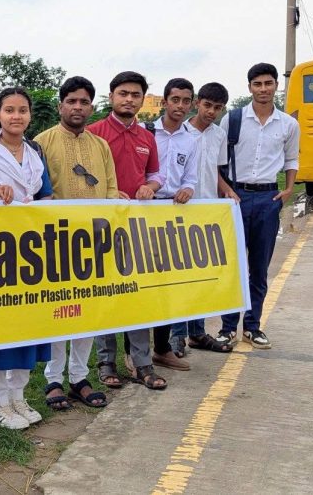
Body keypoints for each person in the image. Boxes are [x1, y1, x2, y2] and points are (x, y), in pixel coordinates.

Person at [0, 87, 52, 429]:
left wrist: (34, 208)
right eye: (9, 110)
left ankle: (18, 397)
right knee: (0, 326)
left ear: (30, 115)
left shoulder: (35, 154)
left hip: (31, 250)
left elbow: (46, 195)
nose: (16, 116)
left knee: (28, 325)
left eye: (22, 110)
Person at [33, 76, 117, 411]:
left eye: (84, 102)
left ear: (91, 107)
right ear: (60, 106)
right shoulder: (41, 142)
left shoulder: (101, 146)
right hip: (55, 241)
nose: (77, 107)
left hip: (93, 241)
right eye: (71, 101)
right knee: (58, 310)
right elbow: (36, 191)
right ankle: (53, 379)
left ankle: (80, 377)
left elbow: (111, 189)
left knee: (87, 311)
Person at [87, 71, 167, 391]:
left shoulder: (147, 137)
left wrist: (150, 187)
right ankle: (106, 362)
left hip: (136, 227)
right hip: (100, 226)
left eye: (135, 95)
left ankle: (141, 363)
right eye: (123, 93)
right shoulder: (94, 133)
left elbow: (156, 175)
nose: (129, 99)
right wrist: (107, 193)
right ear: (111, 96)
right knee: (105, 294)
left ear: (142, 100)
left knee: (137, 293)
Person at [215, 63, 300, 350]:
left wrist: (288, 189)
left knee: (259, 267)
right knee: (232, 266)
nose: (263, 89)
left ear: (276, 85)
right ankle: (227, 328)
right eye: (257, 84)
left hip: (268, 198)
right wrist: (226, 190)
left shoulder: (288, 124)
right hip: (235, 197)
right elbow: (216, 161)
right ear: (249, 87)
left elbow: (291, 159)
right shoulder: (233, 119)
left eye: (268, 83)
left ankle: (252, 327)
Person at [170, 82, 240, 355]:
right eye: (207, 105)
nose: (211, 111)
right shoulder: (179, 132)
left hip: (207, 213)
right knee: (179, 276)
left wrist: (227, 190)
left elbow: (215, 170)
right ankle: (177, 335)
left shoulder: (219, 134)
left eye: (217, 108)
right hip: (178, 210)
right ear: (197, 103)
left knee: (201, 275)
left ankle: (197, 332)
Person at [146, 78, 200, 372]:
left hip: (172, 214)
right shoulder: (145, 133)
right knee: (140, 281)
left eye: (186, 101)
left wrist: (189, 189)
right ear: (165, 101)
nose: (180, 106)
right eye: (175, 99)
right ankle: (134, 352)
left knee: (167, 283)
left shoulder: (191, 140)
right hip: (144, 210)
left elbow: (190, 178)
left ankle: (162, 348)